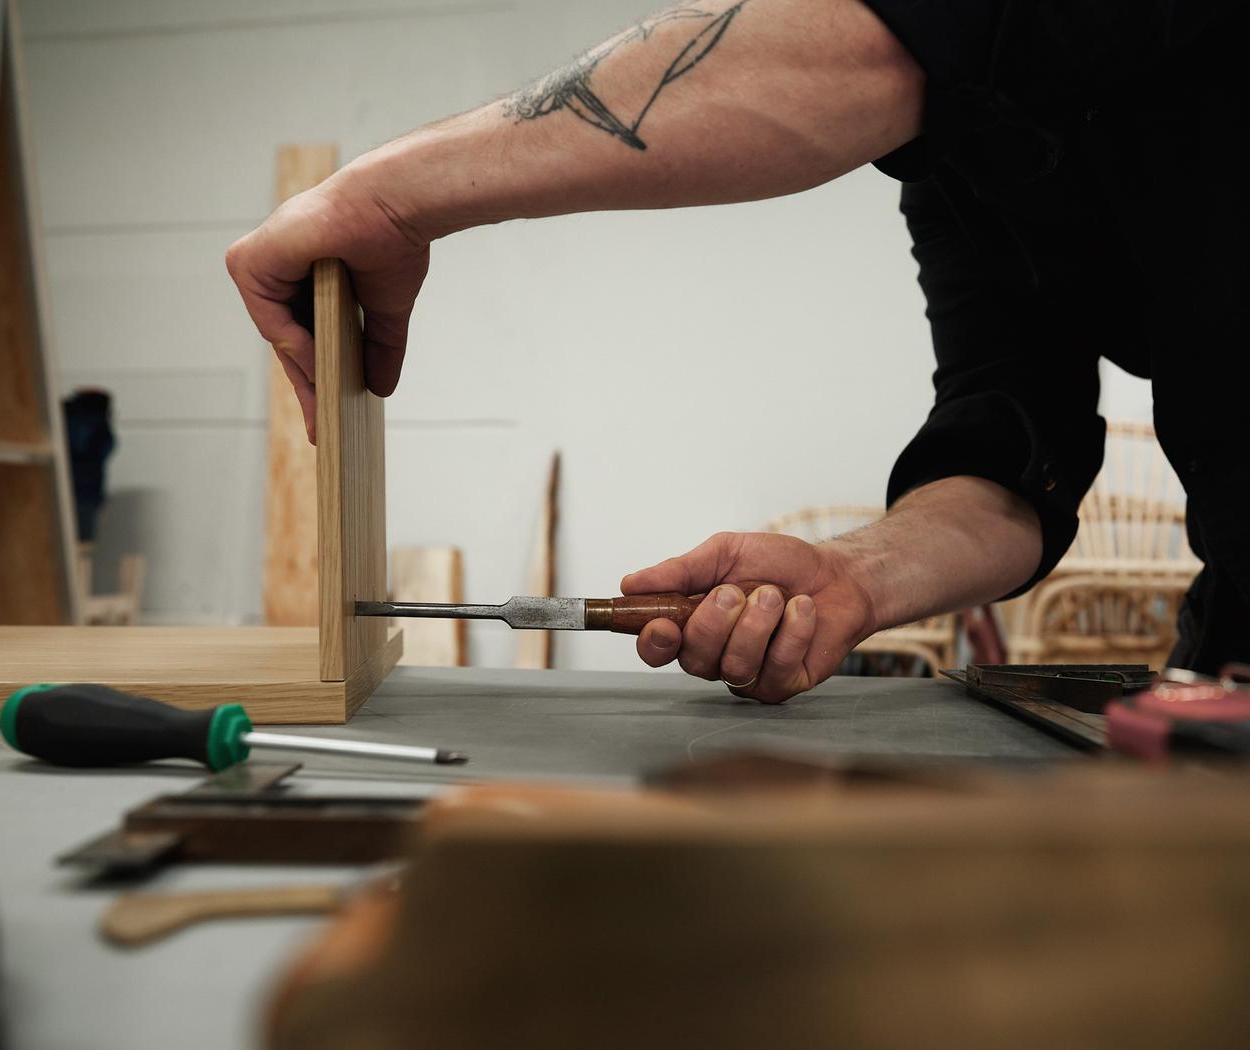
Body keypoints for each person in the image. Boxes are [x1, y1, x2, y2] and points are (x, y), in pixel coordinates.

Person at [226, 0, 1249, 702]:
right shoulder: (965, 159)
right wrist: (852, 575)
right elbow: (1012, 453)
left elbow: (868, 47)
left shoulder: (933, 57)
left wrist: (384, 197)